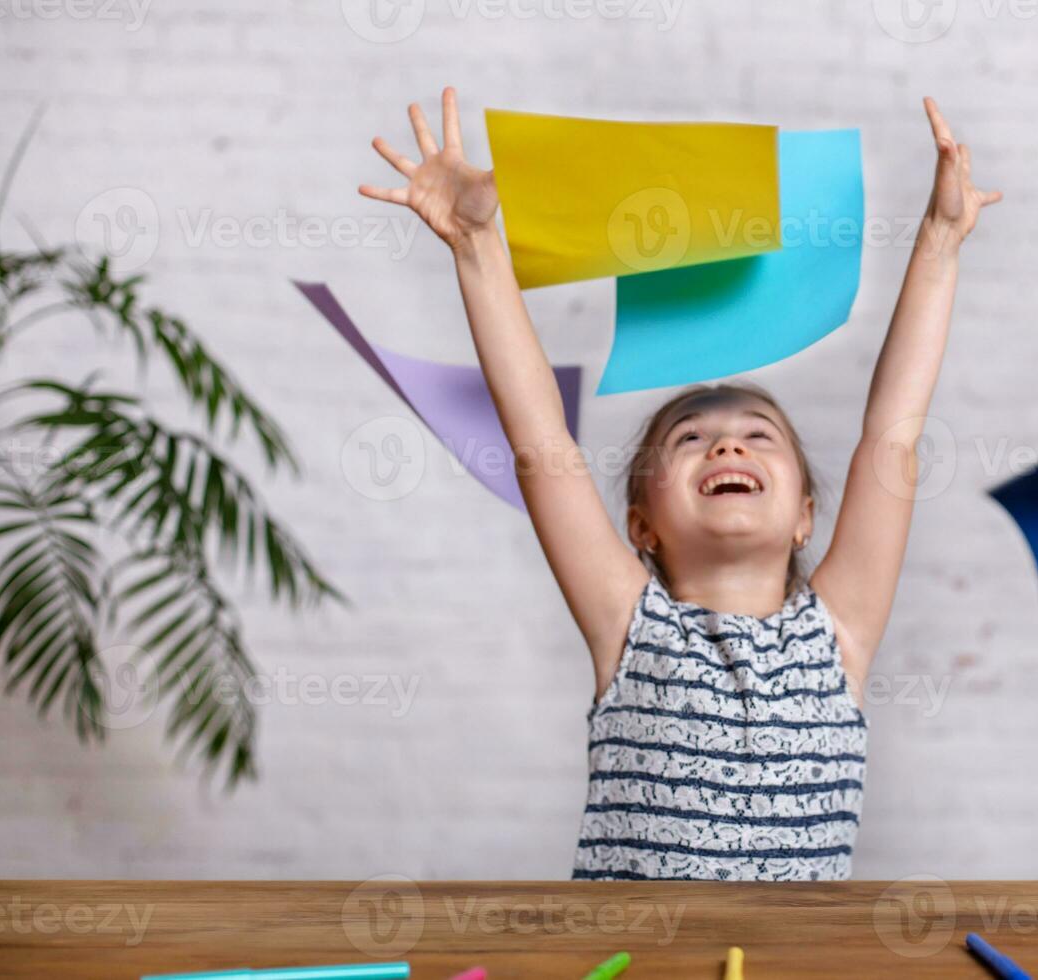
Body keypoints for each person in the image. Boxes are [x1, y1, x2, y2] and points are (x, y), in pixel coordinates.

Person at [360, 88, 1001, 880]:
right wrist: (477, 246)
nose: (727, 440)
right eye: (691, 439)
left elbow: (893, 434)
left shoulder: (839, 636)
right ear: (641, 526)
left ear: (806, 516)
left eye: (757, 436)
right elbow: (541, 443)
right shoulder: (628, 625)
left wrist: (940, 240)